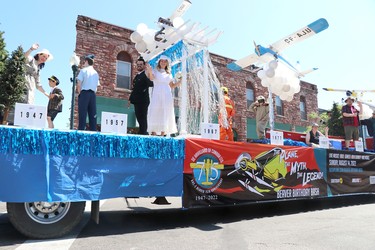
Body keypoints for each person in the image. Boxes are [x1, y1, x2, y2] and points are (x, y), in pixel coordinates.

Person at [147, 55, 181, 136]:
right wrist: (150, 71)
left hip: (167, 94)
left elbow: (172, 85)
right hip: (157, 93)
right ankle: (154, 132)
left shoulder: (169, 73)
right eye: (161, 61)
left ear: (167, 63)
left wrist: (180, 82)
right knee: (156, 110)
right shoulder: (155, 71)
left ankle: (163, 132)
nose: (163, 62)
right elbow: (151, 78)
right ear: (159, 62)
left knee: (165, 112)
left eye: (165, 61)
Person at [128, 57, 154, 135]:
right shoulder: (137, 76)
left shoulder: (145, 74)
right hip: (136, 100)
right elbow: (134, 89)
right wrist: (130, 99)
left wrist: (149, 73)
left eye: (141, 64)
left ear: (144, 65)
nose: (139, 66)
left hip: (143, 100)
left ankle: (144, 132)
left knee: (143, 117)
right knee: (138, 117)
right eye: (138, 64)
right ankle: (141, 131)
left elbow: (151, 84)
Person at [76, 54, 100, 131]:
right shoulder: (96, 73)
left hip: (84, 93)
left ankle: (81, 132)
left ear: (86, 61)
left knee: (82, 115)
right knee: (93, 115)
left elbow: (79, 84)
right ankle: (93, 132)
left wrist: (79, 93)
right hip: (93, 94)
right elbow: (97, 86)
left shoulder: (83, 71)